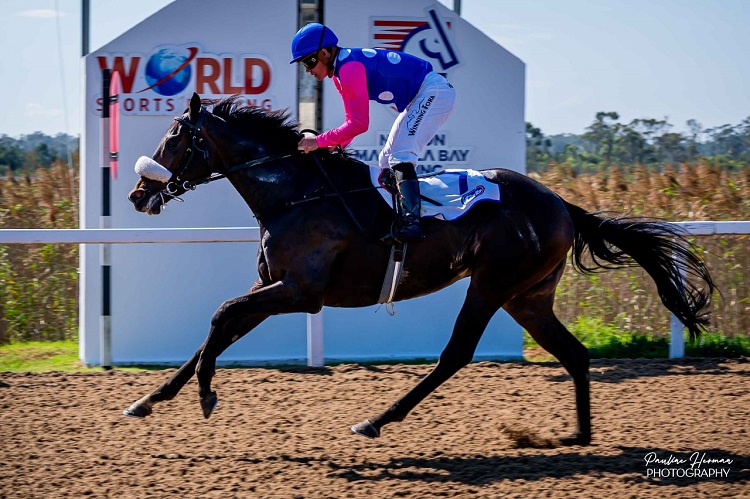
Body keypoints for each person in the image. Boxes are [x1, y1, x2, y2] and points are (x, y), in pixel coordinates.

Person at [291, 22, 456, 241]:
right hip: (424, 94)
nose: (308, 70)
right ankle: (399, 216)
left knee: (401, 155)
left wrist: (319, 141)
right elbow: (351, 123)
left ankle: (412, 223)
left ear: (325, 53)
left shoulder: (348, 69)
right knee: (386, 160)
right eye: (304, 64)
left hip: (433, 91)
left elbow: (359, 124)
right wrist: (334, 145)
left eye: (309, 61)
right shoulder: (340, 72)